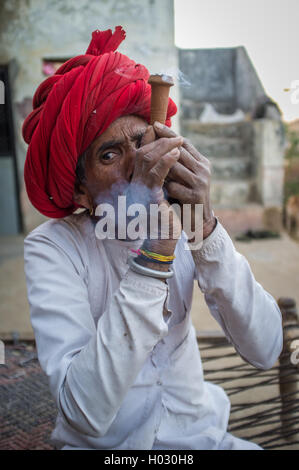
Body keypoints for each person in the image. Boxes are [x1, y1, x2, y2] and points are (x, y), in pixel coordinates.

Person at [23, 27, 283, 450]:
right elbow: (83, 412)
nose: (142, 163)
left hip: (206, 440)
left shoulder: (185, 223)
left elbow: (266, 348)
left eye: (143, 141)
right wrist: (154, 257)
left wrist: (206, 228)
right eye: (110, 154)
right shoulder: (53, 249)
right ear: (80, 192)